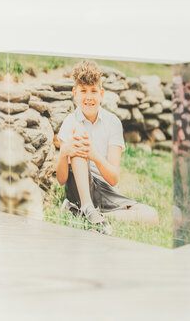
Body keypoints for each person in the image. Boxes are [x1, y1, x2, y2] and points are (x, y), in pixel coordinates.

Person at [55, 59, 159, 232]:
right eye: (83, 91)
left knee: (151, 215)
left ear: (101, 94)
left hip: (106, 192)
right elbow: (61, 179)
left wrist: (93, 154)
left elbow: (113, 178)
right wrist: (63, 153)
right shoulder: (70, 122)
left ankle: (84, 214)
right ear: (75, 93)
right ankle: (86, 206)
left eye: (93, 91)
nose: (89, 97)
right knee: (78, 135)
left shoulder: (113, 123)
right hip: (80, 188)